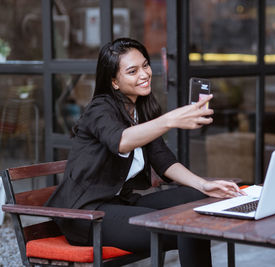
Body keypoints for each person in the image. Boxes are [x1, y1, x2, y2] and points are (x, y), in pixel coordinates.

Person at [46, 37, 243, 267]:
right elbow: (121, 141)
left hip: (122, 204)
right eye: (132, 71)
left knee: (198, 199)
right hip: (87, 215)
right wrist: (170, 120)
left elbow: (163, 160)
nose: (144, 74)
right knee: (190, 228)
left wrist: (202, 184)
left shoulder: (142, 109)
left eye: (145, 65)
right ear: (114, 82)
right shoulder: (99, 109)